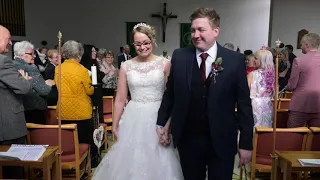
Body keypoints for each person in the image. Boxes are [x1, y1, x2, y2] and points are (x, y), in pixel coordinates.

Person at [157, 8, 254, 180]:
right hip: (188, 139)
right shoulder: (180, 56)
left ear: (216, 31)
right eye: (193, 30)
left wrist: (246, 143)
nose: (195, 35)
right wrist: (161, 123)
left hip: (223, 140)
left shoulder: (234, 60)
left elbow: (244, 104)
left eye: (201, 30)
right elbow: (170, 94)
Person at [92, 23, 183, 180]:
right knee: (130, 158)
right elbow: (120, 98)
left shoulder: (165, 64)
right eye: (138, 44)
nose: (142, 47)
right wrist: (114, 125)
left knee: (159, 158)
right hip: (133, 116)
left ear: (152, 41)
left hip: (158, 115)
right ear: (133, 44)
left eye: (146, 42)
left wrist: (168, 124)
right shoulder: (126, 66)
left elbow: (171, 97)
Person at [0, 25, 32, 179]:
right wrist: (24, 79)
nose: (11, 43)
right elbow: (24, 88)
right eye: (8, 39)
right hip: (8, 126)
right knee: (13, 172)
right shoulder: (2, 62)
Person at [286, 33, 320, 127]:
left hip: (300, 104)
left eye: (301, 45)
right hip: (318, 104)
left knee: (293, 136)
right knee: (316, 139)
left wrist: (287, 87)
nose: (301, 47)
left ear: (307, 45)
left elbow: (292, 85)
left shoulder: (299, 60)